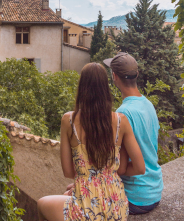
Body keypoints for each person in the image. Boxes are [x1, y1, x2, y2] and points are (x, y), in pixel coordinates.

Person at [37, 62, 145, 221]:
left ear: (82, 88)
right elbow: (140, 168)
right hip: (117, 208)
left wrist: (86, 181)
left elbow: (68, 172)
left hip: (86, 208)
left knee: (41, 204)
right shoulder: (121, 121)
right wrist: (108, 176)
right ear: (105, 88)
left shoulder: (69, 120)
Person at [104, 53, 163, 215]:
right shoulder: (148, 104)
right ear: (136, 75)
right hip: (154, 191)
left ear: (114, 76)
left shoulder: (123, 113)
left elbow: (119, 166)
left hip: (135, 198)